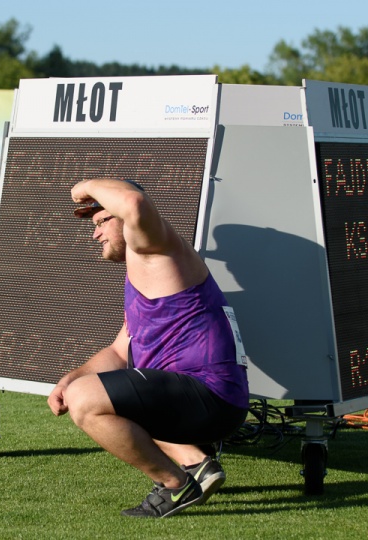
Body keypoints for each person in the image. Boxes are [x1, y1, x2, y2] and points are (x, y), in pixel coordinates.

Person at [47, 178, 249, 519]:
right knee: (92, 390)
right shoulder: (143, 271)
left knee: (87, 400)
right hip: (200, 400)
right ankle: (196, 462)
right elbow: (118, 352)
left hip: (207, 397)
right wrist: (71, 378)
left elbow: (136, 203)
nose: (95, 234)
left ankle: (175, 484)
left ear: (123, 217)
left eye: (101, 222)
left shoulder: (156, 249)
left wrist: (85, 185)